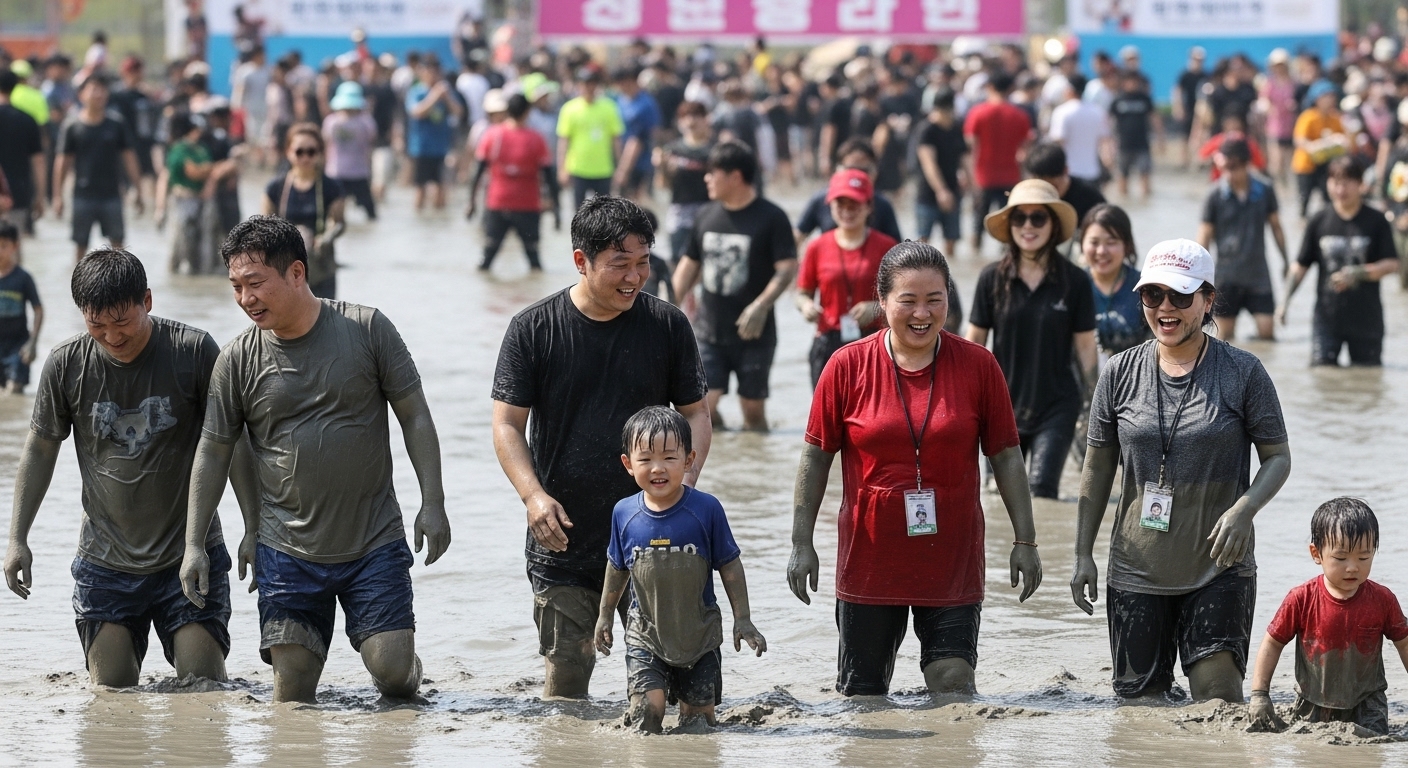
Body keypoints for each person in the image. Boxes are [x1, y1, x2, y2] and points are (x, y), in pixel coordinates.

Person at [180, 215, 451, 703]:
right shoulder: (236, 359)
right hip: (286, 548)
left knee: (392, 675)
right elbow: (214, 450)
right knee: (293, 691)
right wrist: (195, 544)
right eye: (236, 287)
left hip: (373, 539)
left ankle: (407, 661)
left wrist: (433, 502)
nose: (246, 299)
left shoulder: (366, 328)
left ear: (297, 273)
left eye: (256, 284)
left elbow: (415, 416)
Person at [788, 241, 1041, 697]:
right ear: (881, 303)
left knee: (954, 686)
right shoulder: (846, 366)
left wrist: (1025, 539)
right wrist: (801, 542)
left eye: (934, 299)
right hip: (869, 561)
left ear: (948, 300)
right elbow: (816, 456)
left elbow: (1005, 455)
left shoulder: (979, 365)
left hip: (951, 561)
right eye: (907, 300)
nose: (921, 313)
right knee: (863, 696)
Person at [491, 196, 711, 699]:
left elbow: (696, 412)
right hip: (562, 533)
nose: (635, 277)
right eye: (620, 265)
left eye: (643, 262)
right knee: (568, 677)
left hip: (654, 532)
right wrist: (532, 497)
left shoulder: (667, 324)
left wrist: (686, 483)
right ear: (580, 261)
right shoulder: (534, 328)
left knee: (667, 683)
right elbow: (507, 425)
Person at [1072, 238, 1291, 701]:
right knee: (1138, 709)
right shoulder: (1118, 373)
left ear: (1208, 300)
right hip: (1136, 569)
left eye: (1180, 296)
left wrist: (1244, 509)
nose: (1165, 308)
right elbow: (1096, 469)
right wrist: (1082, 554)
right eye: (1153, 295)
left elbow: (1278, 458)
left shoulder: (1243, 372)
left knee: (1218, 702)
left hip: (1219, 565)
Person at [3, 248, 233, 687]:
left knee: (203, 685)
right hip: (105, 561)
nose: (111, 336)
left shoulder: (193, 351)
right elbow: (39, 450)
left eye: (122, 321)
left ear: (146, 301)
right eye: (96, 325)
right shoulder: (67, 363)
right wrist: (17, 538)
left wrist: (254, 531)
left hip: (185, 552)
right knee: (111, 691)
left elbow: (229, 446)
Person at [593, 407, 764, 733]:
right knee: (647, 714)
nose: (658, 468)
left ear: (688, 460)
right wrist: (604, 616)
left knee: (698, 724)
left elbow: (730, 566)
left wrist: (743, 618)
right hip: (646, 636)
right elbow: (616, 568)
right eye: (645, 459)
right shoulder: (624, 513)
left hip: (700, 638)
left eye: (670, 458)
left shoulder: (706, 509)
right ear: (628, 464)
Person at [967, 180, 1097, 499]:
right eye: (1019, 218)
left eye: (1038, 218)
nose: (1028, 226)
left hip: (1057, 405)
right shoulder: (991, 279)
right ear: (1009, 225)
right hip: (1000, 406)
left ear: (1053, 225)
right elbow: (974, 343)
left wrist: (1096, 404)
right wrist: (962, 399)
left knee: (1040, 492)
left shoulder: (1075, 281)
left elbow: (1085, 348)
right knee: (998, 495)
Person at [1249, 498, 1408, 735]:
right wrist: (1259, 695)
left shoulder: (1383, 600)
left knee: (1373, 749)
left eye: (1364, 557)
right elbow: (1272, 643)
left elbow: (1404, 643)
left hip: (1368, 701)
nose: (1353, 567)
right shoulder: (1301, 599)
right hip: (1313, 700)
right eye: (1341, 558)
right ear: (1317, 553)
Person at [672, 141, 797, 432]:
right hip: (709, 331)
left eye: (711, 173)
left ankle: (754, 460)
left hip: (755, 332)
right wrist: (667, 310)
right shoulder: (705, 215)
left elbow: (787, 268)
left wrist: (761, 305)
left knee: (752, 413)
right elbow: (689, 266)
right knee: (703, 407)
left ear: (735, 177)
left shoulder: (772, 217)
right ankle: (725, 448)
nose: (706, 179)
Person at [1279, 156, 1398, 366]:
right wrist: (1285, 302)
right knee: (1323, 377)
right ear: (1328, 184)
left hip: (1367, 320)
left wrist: (1359, 273)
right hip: (1326, 319)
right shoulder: (1318, 220)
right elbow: (1301, 265)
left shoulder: (1377, 220)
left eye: (1347, 184)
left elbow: (1392, 264)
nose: (1340, 190)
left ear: (1361, 184)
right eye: (1335, 183)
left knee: (1365, 380)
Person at [796, 169, 896, 388]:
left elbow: (902, 297)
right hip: (828, 340)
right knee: (828, 416)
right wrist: (805, 307)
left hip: (874, 340)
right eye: (840, 204)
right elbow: (802, 292)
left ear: (868, 207)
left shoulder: (887, 247)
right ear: (830, 207)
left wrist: (877, 308)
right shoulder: (816, 247)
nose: (847, 211)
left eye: (854, 205)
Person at [1196, 138, 1287, 342]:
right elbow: (1204, 235)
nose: (1229, 173)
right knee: (1224, 338)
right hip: (1226, 276)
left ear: (1247, 164)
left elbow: (1276, 227)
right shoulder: (1214, 194)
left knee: (1267, 334)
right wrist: (1200, 275)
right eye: (1224, 168)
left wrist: (1286, 260)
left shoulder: (1264, 190)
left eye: (1234, 167)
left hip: (1258, 274)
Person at [54, 75, 144, 261]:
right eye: (93, 89)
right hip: (82, 195)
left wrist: (138, 190)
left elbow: (130, 159)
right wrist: (57, 195)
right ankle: (78, 285)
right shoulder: (72, 126)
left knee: (119, 247)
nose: (98, 94)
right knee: (80, 245)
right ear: (81, 95)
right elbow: (62, 162)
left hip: (111, 194)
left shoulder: (116, 124)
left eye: (102, 89)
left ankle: (122, 286)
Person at [466, 93, 551, 272]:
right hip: (528, 205)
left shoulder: (492, 135)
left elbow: (478, 172)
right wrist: (556, 207)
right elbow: (549, 175)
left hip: (498, 203)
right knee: (534, 262)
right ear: (527, 112)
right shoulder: (536, 139)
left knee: (486, 260)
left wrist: (471, 202)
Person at [262, 123, 345, 299]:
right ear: (288, 152)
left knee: (324, 321)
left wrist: (324, 238)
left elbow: (339, 224)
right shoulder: (274, 188)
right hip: (284, 268)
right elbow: (264, 226)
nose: (305, 157)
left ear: (320, 153)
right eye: (299, 152)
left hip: (321, 266)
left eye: (311, 152)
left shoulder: (332, 188)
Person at [964, 72, 1032, 253]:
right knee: (1008, 225)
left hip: (983, 176)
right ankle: (1007, 259)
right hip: (1011, 176)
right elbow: (1025, 150)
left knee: (977, 223)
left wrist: (969, 176)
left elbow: (971, 147)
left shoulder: (978, 113)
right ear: (1010, 89)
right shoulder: (1020, 115)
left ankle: (975, 254)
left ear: (990, 88)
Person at [794, 138, 903, 244]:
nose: (856, 175)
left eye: (863, 170)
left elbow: (898, 250)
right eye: (840, 204)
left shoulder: (882, 204)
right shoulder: (821, 199)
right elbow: (798, 236)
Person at [1081, 204, 1149, 366]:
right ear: (1082, 243)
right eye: (1094, 242)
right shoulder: (1073, 285)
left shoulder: (1145, 287)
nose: (1101, 251)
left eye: (1111, 242)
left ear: (1127, 245)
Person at [557, 68, 624, 212]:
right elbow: (563, 141)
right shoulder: (570, 109)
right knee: (580, 212)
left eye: (591, 83)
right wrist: (562, 168)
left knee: (605, 213)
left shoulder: (609, 107)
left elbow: (616, 139)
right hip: (578, 168)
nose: (588, 87)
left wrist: (620, 167)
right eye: (584, 83)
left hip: (603, 169)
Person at [655, 101, 714, 264]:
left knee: (706, 260)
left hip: (708, 208)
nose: (691, 122)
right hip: (680, 210)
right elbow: (662, 185)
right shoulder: (672, 149)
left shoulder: (714, 149)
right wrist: (663, 168)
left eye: (696, 116)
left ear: (705, 119)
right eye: (685, 117)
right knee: (677, 258)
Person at [914, 88, 966, 259]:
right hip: (928, 192)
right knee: (922, 242)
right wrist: (941, 191)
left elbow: (965, 156)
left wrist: (970, 179)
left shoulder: (956, 127)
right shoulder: (926, 130)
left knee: (951, 240)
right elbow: (929, 163)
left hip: (953, 189)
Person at [405, 55, 461, 211]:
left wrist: (447, 97)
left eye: (436, 71)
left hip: (441, 148)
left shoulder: (446, 91)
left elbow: (458, 112)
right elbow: (416, 112)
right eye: (429, 71)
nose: (433, 74)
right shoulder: (417, 91)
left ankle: (439, 224)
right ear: (422, 72)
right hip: (421, 148)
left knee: (442, 189)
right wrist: (435, 96)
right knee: (420, 189)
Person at [163, 113, 214, 275]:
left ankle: (195, 273)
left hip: (199, 199)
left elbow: (207, 170)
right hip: (181, 199)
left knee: (199, 241)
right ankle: (175, 272)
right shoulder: (179, 149)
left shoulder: (201, 149)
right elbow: (194, 172)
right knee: (178, 241)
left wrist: (204, 170)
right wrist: (205, 170)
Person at [322, 82, 378, 221]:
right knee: (371, 214)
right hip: (357, 172)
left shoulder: (331, 121)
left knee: (332, 214)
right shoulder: (366, 121)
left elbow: (325, 142)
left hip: (337, 171)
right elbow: (373, 138)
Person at [1292, 81, 1348, 219]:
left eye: (1332, 96)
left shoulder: (1335, 117)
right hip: (1306, 165)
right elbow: (1300, 139)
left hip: (1326, 165)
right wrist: (1314, 146)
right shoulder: (1308, 116)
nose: (1331, 99)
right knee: (1304, 198)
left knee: (1328, 197)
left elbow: (1344, 138)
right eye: (1327, 96)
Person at [0, 69, 45, 239]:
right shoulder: (27, 120)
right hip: (18, 192)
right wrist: (40, 196)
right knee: (13, 244)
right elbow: (38, 162)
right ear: (16, 87)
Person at [1023, 143, 1107, 230]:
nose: (1047, 192)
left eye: (1053, 187)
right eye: (1041, 188)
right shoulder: (1028, 198)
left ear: (1066, 171)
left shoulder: (1090, 199)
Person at [0, 221, 40, 393]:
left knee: (14, 389)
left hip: (18, 346)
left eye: (3, 246)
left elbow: (38, 310)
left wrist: (33, 342)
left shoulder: (23, 278)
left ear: (15, 246)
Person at [1048, 74, 1108, 185]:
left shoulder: (1061, 112)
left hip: (1069, 172)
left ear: (1069, 90)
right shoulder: (1097, 111)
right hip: (1093, 172)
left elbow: (1057, 142)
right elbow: (1105, 142)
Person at [612, 66, 659, 203]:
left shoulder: (645, 105)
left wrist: (624, 170)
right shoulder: (620, 100)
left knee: (634, 205)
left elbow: (637, 140)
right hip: (620, 160)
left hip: (638, 163)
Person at [1109, 70, 1159, 200]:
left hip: (1142, 144)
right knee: (1122, 176)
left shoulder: (1144, 98)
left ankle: (1146, 201)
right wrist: (1109, 143)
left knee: (1145, 175)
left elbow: (1154, 118)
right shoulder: (1118, 99)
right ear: (1124, 82)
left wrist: (1161, 138)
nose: (1132, 84)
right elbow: (1109, 121)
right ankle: (1124, 201)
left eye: (1135, 81)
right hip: (1123, 144)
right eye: (1129, 81)